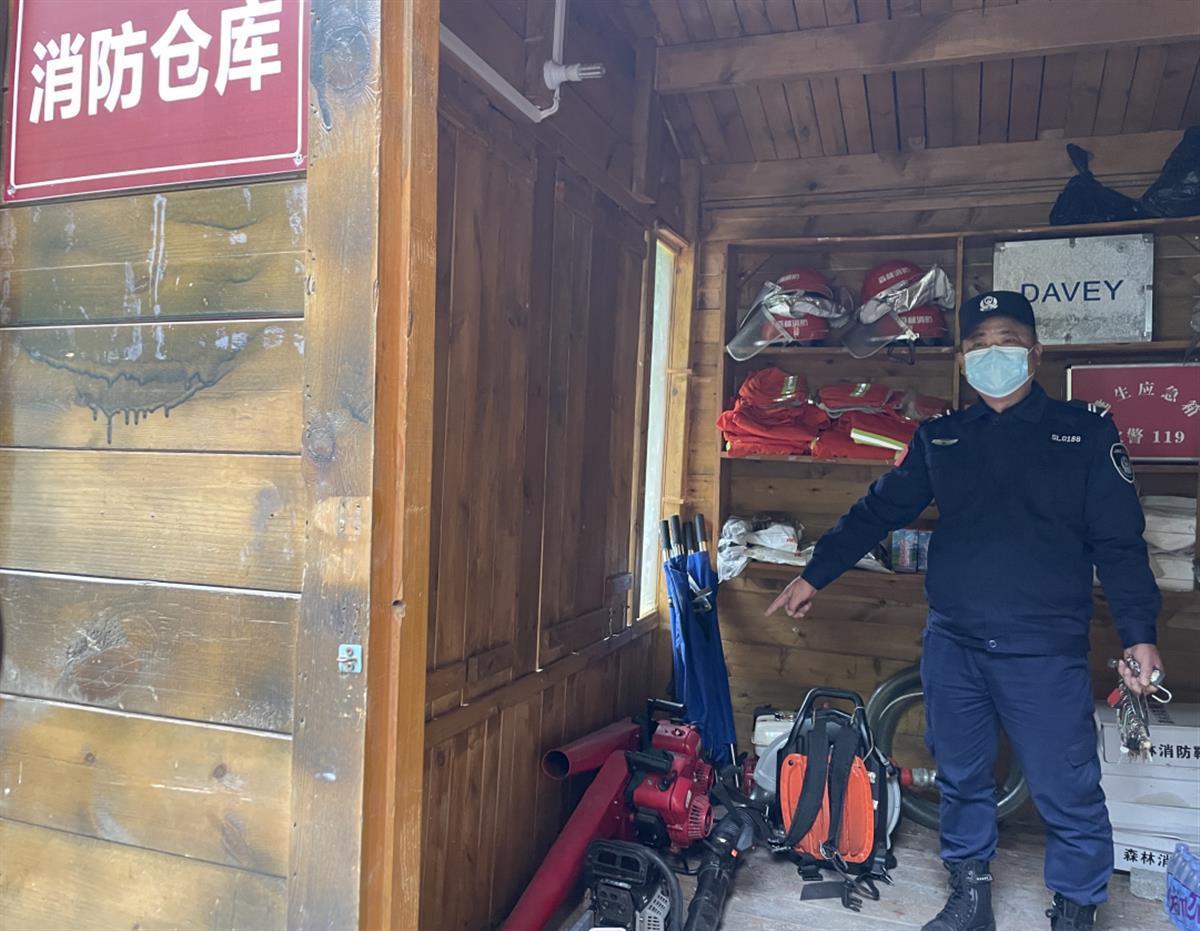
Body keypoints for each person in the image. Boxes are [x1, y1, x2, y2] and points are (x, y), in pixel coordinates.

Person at [767, 291, 1165, 931]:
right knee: (961, 777)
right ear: (960, 359)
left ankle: (1076, 908)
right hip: (954, 646)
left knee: (1067, 787)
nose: (990, 354)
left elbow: (1120, 544)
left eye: (1005, 340)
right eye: (977, 344)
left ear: (1035, 353)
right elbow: (878, 510)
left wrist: (1139, 634)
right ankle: (970, 896)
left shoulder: (1085, 433)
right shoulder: (942, 437)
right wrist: (817, 573)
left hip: (1043, 650)